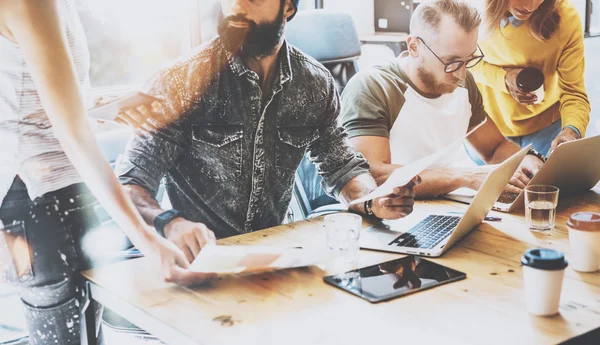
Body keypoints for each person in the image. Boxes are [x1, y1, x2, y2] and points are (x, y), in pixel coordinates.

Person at [117, 0, 420, 262]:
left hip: (277, 256)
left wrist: (375, 199)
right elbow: (129, 186)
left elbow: (342, 167)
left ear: (288, 7)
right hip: (200, 261)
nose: (237, 6)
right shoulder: (178, 83)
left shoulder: (314, 84)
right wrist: (170, 223)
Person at [0, 1, 211, 344]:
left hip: (47, 205)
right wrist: (149, 241)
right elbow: (72, 136)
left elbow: (32, 99)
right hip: (44, 208)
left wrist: (109, 105)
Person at [339, 0, 544, 199]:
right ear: (414, 47)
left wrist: (525, 160)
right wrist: (463, 177)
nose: (461, 75)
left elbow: (494, 148)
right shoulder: (372, 88)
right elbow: (371, 177)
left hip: (441, 205)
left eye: (469, 60)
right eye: (451, 62)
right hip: (387, 214)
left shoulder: (463, 83)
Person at [470, 0, 590, 157]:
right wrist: (504, 78)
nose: (530, 6)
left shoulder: (566, 18)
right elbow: (460, 64)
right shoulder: (471, 10)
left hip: (547, 128)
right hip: (489, 126)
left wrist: (571, 130)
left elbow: (574, 93)